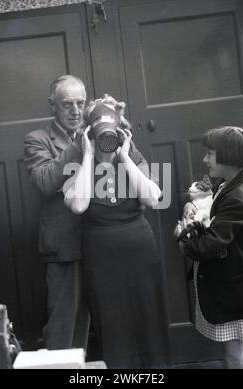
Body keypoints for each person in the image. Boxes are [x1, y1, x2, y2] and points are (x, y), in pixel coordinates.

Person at [63, 99, 171, 369]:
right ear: (89, 135)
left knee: (148, 315)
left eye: (110, 135)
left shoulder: (133, 158)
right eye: (100, 136)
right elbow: (78, 205)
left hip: (140, 252)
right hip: (101, 257)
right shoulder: (76, 163)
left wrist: (123, 155)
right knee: (111, 322)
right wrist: (88, 155)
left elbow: (152, 198)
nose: (105, 143)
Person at [179, 126, 243, 369]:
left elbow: (208, 245)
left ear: (229, 155)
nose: (204, 159)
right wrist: (193, 206)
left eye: (210, 153)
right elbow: (206, 196)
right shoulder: (230, 183)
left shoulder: (238, 195)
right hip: (236, 285)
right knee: (239, 350)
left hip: (235, 289)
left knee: (235, 354)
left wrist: (183, 236)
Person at [23, 75, 90, 350]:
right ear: (52, 105)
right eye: (67, 104)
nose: (76, 111)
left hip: (102, 241)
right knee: (64, 326)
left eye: (81, 103)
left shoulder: (96, 132)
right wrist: (81, 146)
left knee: (93, 324)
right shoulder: (37, 140)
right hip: (64, 245)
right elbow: (46, 182)